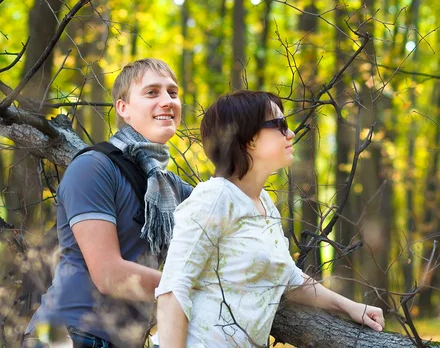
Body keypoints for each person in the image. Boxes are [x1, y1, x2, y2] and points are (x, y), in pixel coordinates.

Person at [156, 90, 385, 347]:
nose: (291, 133)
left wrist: (351, 306)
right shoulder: (213, 198)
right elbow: (173, 290)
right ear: (248, 139)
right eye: (279, 125)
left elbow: (289, 279)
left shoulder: (264, 203)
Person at [23, 58, 193, 348]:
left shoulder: (169, 187)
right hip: (66, 336)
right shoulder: (94, 167)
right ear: (123, 108)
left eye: (173, 93)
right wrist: (194, 290)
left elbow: (226, 215)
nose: (167, 101)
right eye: (152, 93)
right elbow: (109, 275)